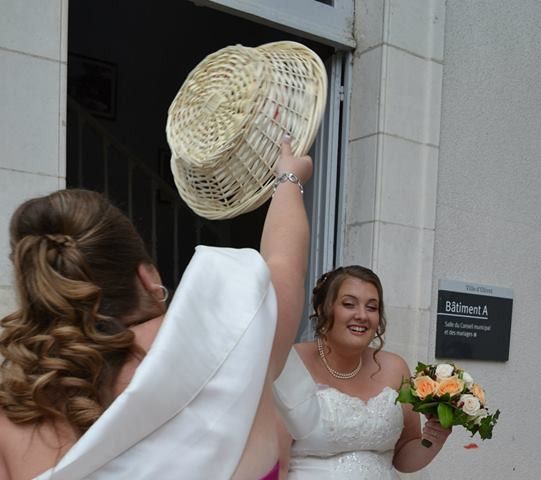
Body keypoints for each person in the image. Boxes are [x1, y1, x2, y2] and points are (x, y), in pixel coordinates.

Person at [0, 137, 311, 480]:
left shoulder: (14, 409)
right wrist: (288, 178)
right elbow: (285, 259)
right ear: (146, 276)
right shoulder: (240, 335)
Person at [273, 266, 451, 479]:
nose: (362, 316)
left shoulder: (395, 368)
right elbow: (276, 464)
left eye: (372, 307)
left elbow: (403, 456)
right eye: (349, 304)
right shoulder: (290, 364)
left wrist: (433, 439)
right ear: (323, 308)